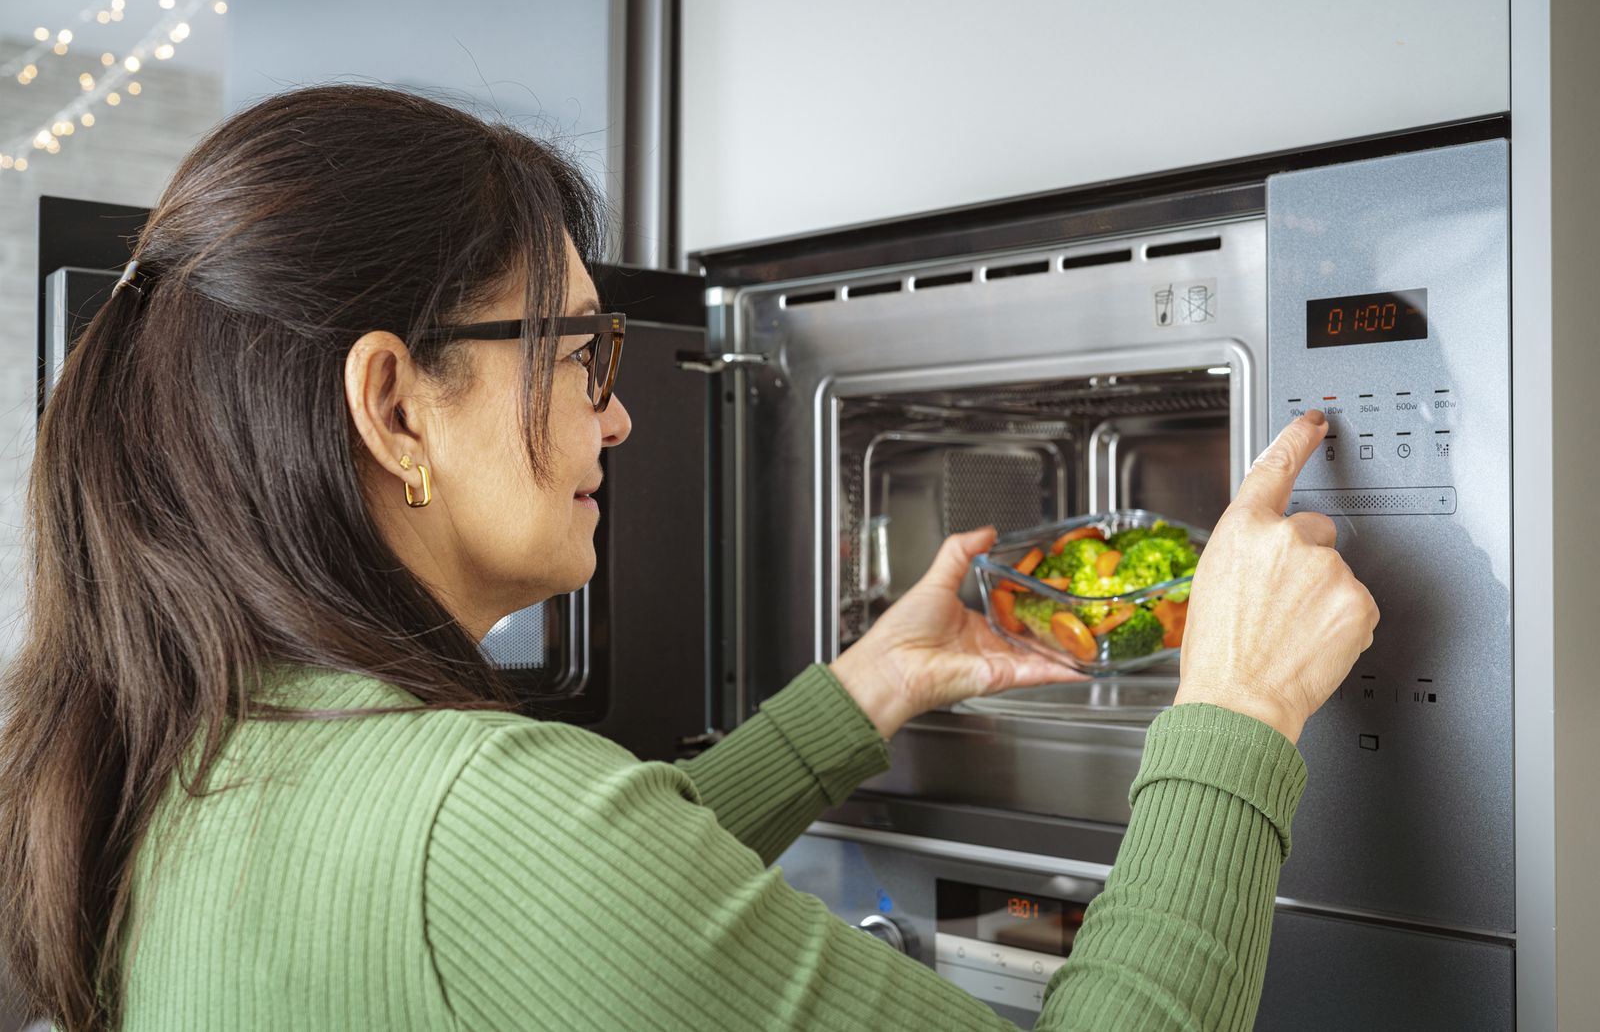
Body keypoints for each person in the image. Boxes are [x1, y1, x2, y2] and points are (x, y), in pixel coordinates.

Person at [0, 85, 1376, 1032]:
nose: (620, 408)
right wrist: (1235, 712)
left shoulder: (189, 750)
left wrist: (861, 696)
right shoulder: (486, 817)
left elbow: (540, 932)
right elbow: (526, 877)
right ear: (394, 403)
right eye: (579, 351)